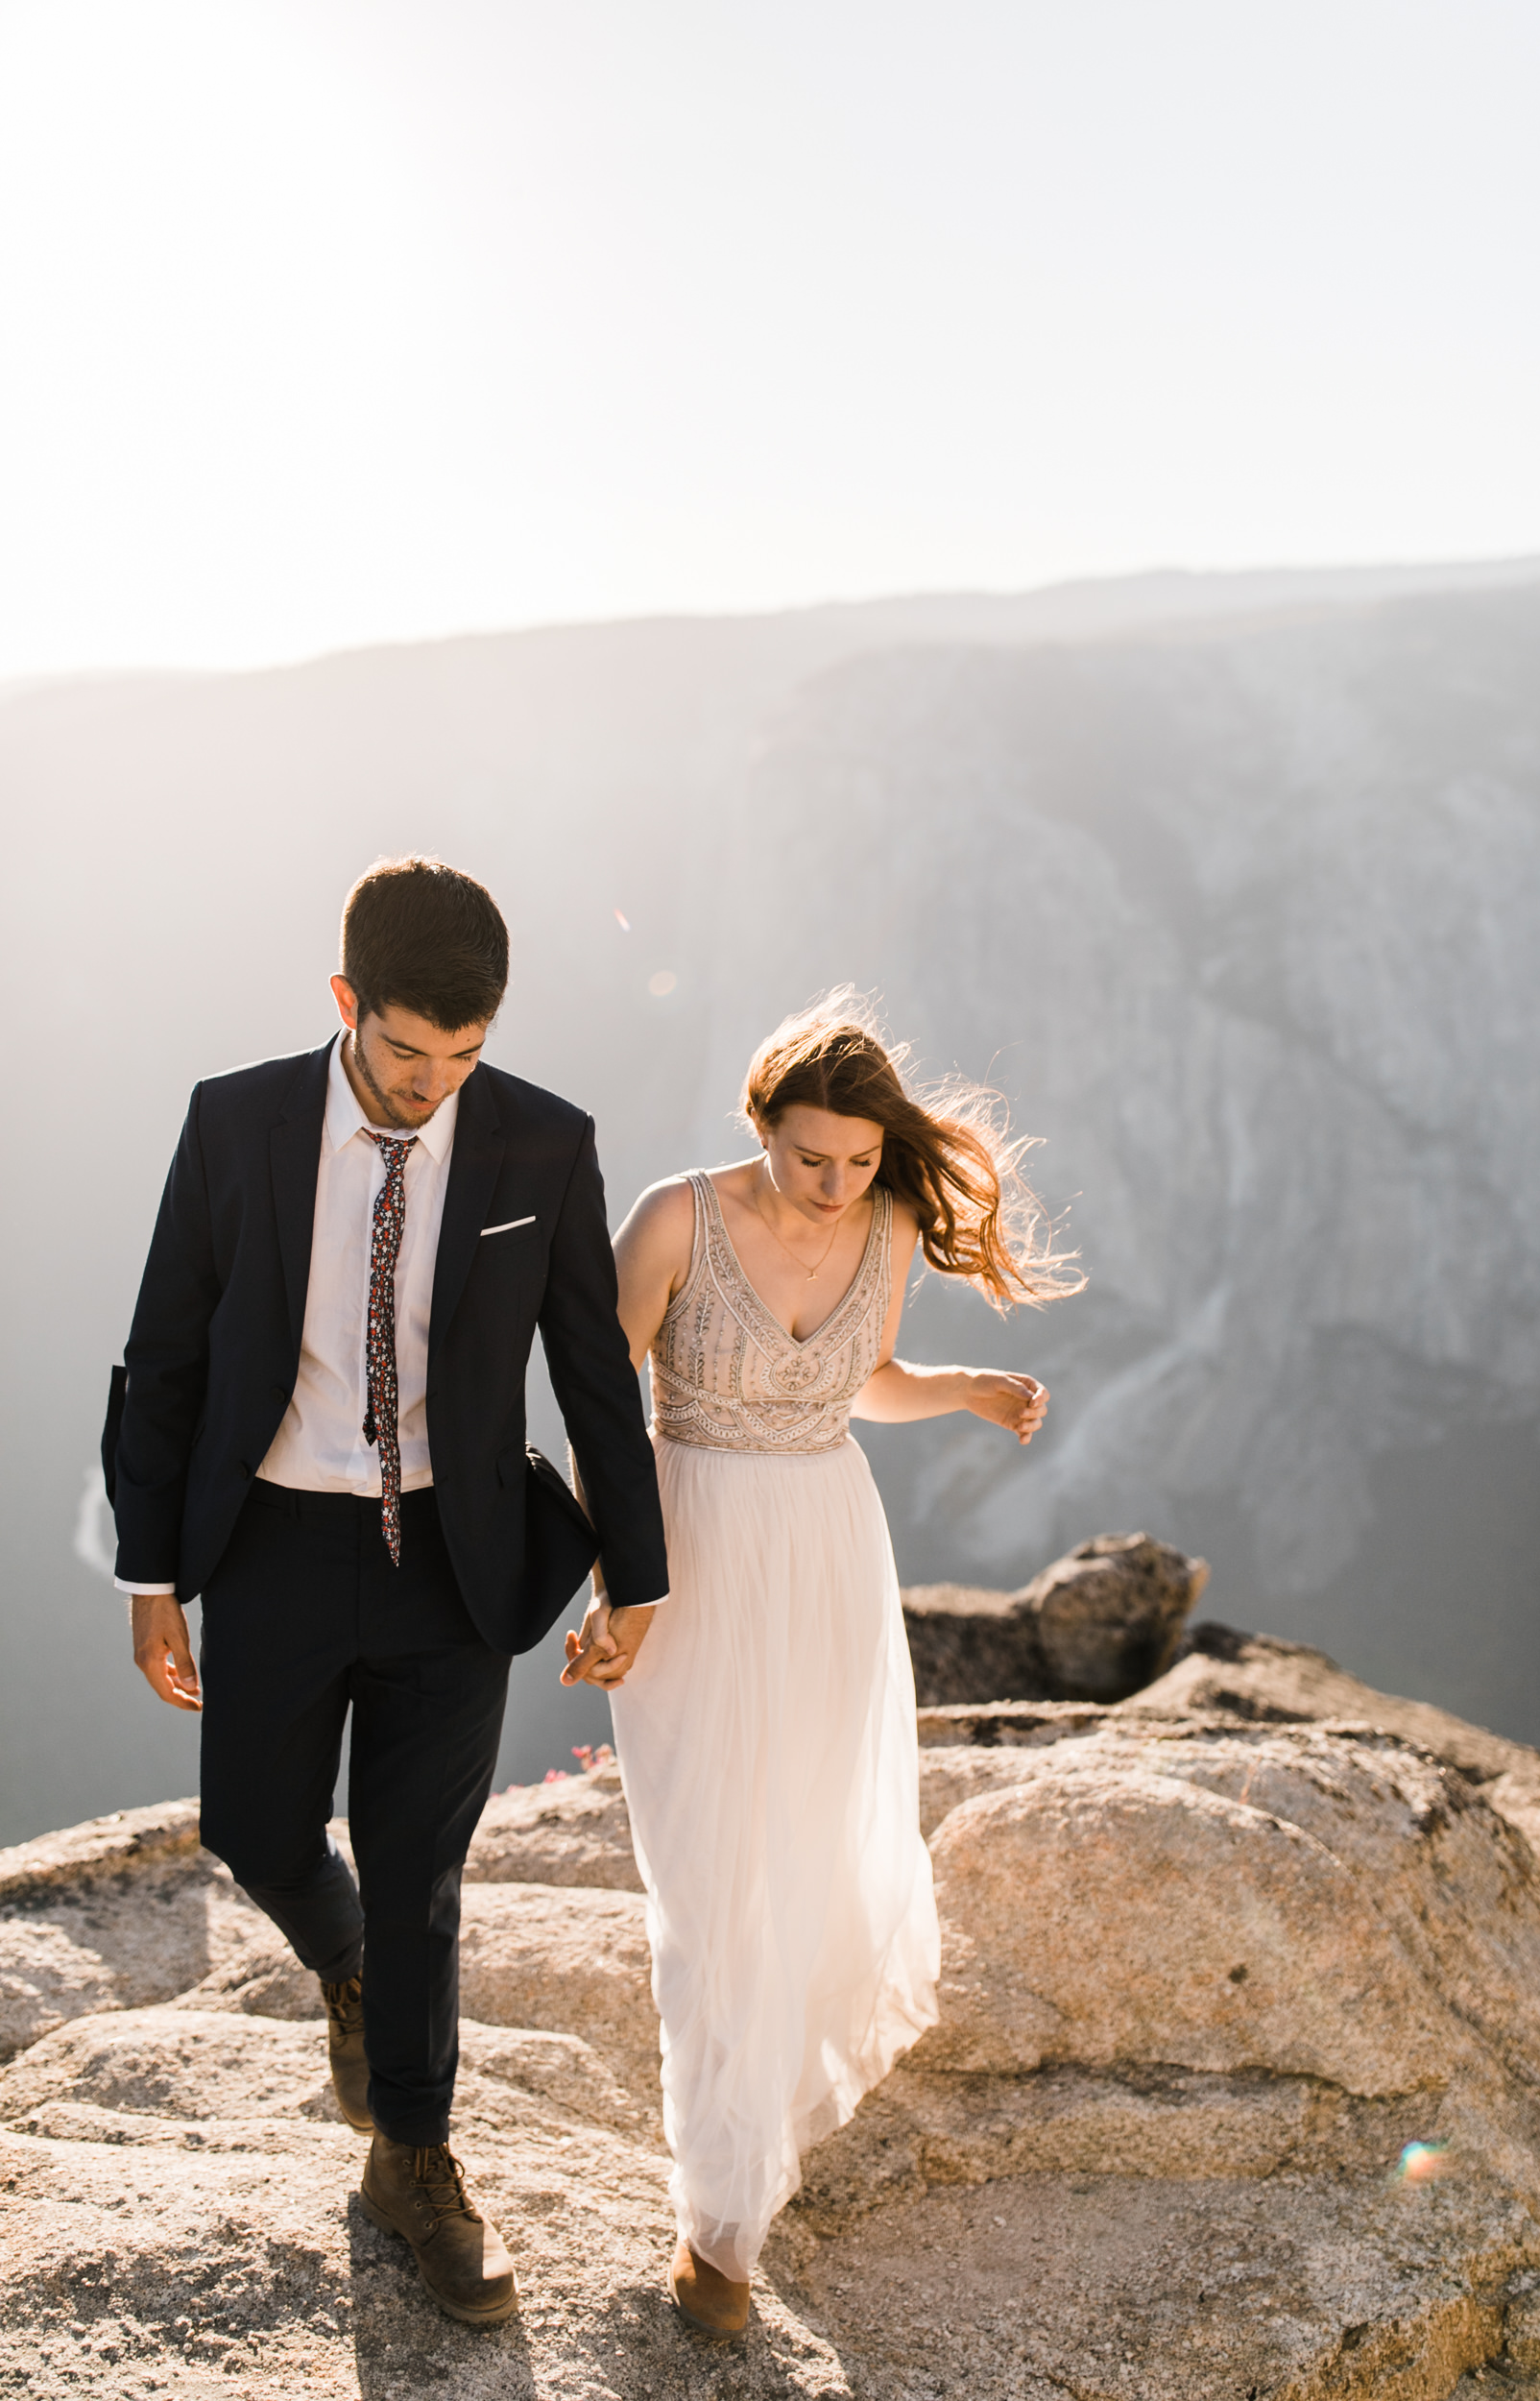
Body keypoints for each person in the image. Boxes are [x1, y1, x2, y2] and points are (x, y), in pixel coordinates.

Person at [107, 855, 667, 2329]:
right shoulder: (237, 1121)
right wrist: (149, 1570)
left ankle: (413, 2159)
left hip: (455, 1559)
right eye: (410, 1052)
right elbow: (162, 1352)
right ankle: (344, 1965)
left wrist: (639, 1572)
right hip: (276, 1540)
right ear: (347, 1003)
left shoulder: (544, 1144)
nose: (434, 1085)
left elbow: (594, 1376)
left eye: (465, 1057)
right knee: (256, 1829)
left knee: (423, 1867)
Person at [562, 993, 1078, 2339]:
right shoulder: (676, 1220)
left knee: (807, 1853)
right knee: (707, 1869)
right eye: (810, 1158)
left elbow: (863, 1380)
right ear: (761, 1124)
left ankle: (734, 2204)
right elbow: (601, 1410)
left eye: (857, 1161)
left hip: (833, 1549)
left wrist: (959, 1385)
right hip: (693, 1545)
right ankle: (719, 2216)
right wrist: (622, 1588)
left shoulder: (892, 1225)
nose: (835, 1185)